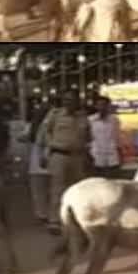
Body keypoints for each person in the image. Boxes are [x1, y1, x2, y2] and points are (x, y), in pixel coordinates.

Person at [38, 92, 89, 233]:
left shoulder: (83, 117)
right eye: (66, 99)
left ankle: (77, 220)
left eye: (72, 100)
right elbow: (44, 134)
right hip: (59, 156)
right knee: (57, 188)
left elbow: (88, 137)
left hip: (77, 157)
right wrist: (45, 153)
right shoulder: (54, 115)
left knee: (78, 189)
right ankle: (54, 221)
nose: (69, 102)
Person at [24, 106, 52, 225]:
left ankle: (41, 214)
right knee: (51, 190)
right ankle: (51, 214)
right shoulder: (50, 126)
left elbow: (22, 137)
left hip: (35, 164)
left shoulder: (31, 127)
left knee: (38, 191)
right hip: (50, 161)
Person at [87, 96, 122, 179]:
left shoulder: (115, 120)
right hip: (96, 156)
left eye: (105, 105)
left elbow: (117, 137)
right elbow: (88, 138)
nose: (102, 107)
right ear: (96, 106)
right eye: (100, 105)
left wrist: (120, 154)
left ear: (108, 106)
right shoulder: (90, 120)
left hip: (112, 156)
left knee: (114, 182)